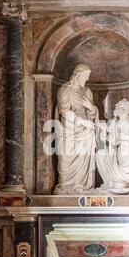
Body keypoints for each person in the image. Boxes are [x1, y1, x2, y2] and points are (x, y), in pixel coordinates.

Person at [54, 64, 98, 195]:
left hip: (86, 129)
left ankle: (82, 184)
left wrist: (91, 108)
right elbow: (64, 111)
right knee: (65, 158)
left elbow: (93, 113)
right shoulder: (64, 90)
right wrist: (82, 121)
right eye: (86, 76)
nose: (87, 79)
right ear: (78, 74)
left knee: (89, 138)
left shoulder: (87, 92)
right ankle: (64, 184)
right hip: (68, 128)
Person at [96, 98, 129, 195]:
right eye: (117, 107)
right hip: (117, 154)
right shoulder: (114, 122)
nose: (116, 108)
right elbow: (111, 142)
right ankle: (109, 183)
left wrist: (123, 137)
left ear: (126, 109)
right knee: (100, 154)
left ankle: (122, 182)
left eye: (119, 107)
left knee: (120, 185)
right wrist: (104, 132)